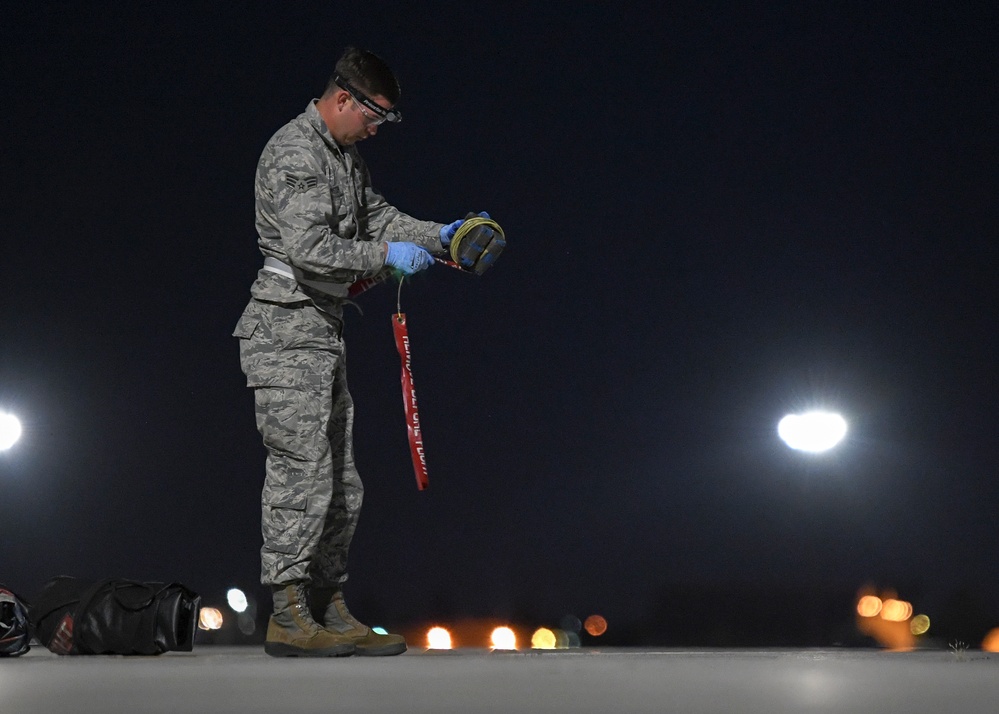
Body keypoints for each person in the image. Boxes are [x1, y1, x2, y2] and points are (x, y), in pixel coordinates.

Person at [232, 47, 477, 657]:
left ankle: (326, 603)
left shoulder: (344, 158)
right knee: (301, 471)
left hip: (320, 329)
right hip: (284, 328)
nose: (377, 129)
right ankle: (288, 612)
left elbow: (377, 216)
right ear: (343, 99)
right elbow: (312, 247)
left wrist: (442, 238)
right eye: (376, 116)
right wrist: (385, 258)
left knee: (343, 480)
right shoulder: (294, 152)